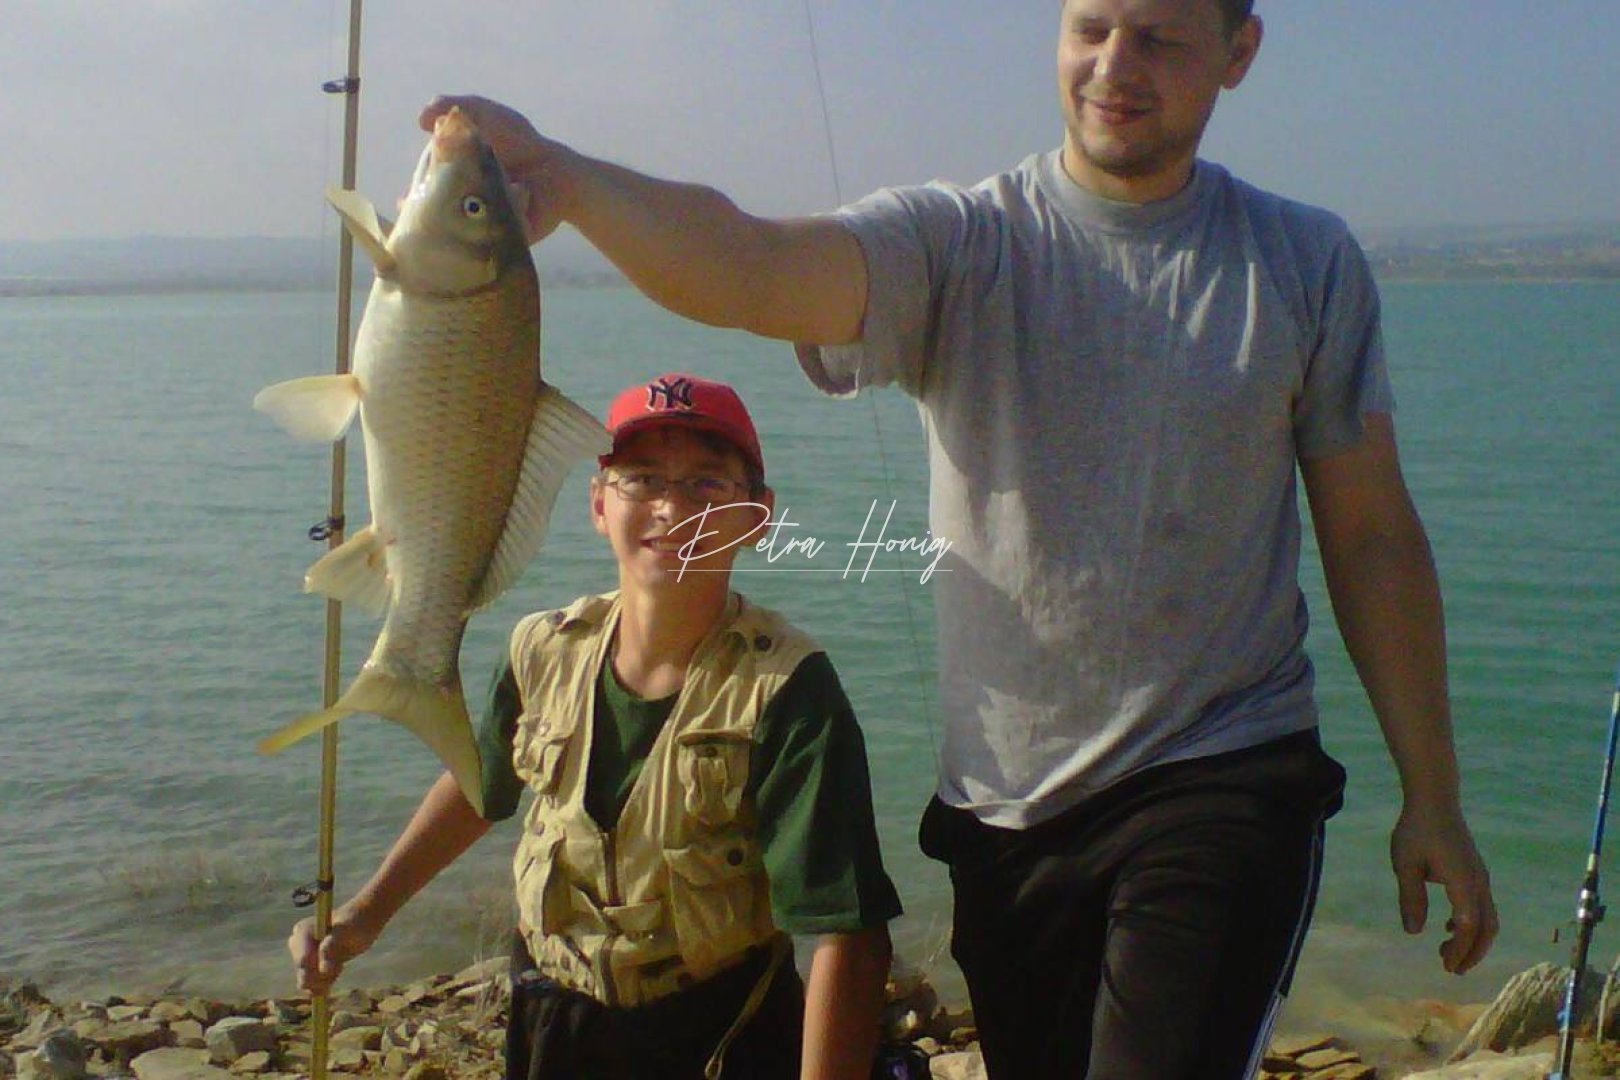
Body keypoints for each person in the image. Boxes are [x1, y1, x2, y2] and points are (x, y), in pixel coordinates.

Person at [420, 0, 1500, 1074]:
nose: (1116, 65)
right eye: (1092, 28)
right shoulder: (960, 243)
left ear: (1239, 52)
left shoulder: (1302, 262)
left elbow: (1371, 536)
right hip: (1005, 812)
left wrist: (1434, 795)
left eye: (1161, 37)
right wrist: (560, 177)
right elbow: (750, 263)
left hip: (1221, 771)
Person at [289, 373, 902, 1080]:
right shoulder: (544, 648)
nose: (672, 509)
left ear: (757, 518)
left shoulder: (787, 690)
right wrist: (366, 915)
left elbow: (847, 937)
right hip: (552, 1018)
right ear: (599, 506)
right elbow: (479, 787)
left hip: (720, 1030)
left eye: (707, 485)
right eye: (642, 479)